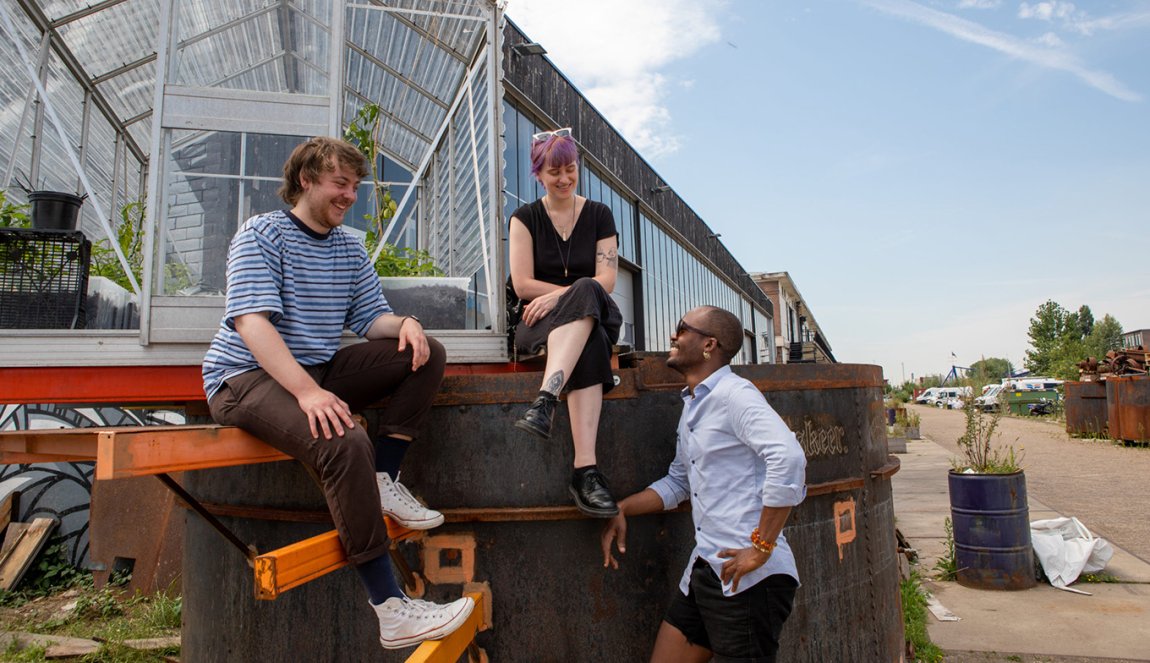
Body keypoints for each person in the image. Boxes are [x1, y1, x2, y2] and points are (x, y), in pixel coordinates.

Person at [201, 136, 473, 650]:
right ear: (306, 180)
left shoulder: (348, 245)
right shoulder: (263, 235)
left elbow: (370, 318)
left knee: (425, 351)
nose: (350, 195)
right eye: (339, 183)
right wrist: (307, 393)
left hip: (315, 369)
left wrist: (406, 322)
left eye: (356, 186)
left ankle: (384, 478)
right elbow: (252, 323)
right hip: (244, 377)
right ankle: (390, 608)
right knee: (344, 439)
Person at [600, 306, 807, 662]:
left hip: (748, 579)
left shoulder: (734, 394)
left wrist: (760, 547)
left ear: (709, 344)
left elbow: (788, 459)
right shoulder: (695, 403)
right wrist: (624, 508)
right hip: (707, 568)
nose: (673, 336)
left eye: (682, 329)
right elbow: (680, 481)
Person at [508, 126, 623, 517]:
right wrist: (565, 297)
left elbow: (606, 281)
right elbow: (523, 285)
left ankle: (545, 401)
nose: (564, 179)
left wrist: (562, 293)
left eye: (570, 169)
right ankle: (585, 472)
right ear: (538, 173)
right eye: (554, 172)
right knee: (589, 338)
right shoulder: (523, 218)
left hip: (589, 308)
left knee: (590, 290)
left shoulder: (599, 214)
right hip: (539, 321)